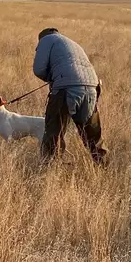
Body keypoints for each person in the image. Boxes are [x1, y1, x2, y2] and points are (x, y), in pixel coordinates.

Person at [32, 28, 107, 166]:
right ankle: (103, 165)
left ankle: (50, 170)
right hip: (92, 87)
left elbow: (39, 69)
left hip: (65, 89)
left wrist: (52, 79)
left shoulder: (45, 40)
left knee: (54, 132)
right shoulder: (73, 43)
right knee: (92, 132)